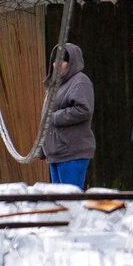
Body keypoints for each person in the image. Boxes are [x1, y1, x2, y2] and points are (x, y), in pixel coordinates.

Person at [38, 43, 94, 189]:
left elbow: (84, 110)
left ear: (71, 63)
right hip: (55, 153)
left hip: (72, 153)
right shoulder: (54, 85)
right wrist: (43, 147)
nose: (56, 64)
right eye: (55, 60)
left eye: (62, 60)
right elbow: (45, 118)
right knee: (60, 202)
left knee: (71, 201)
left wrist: (56, 117)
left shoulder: (80, 81)